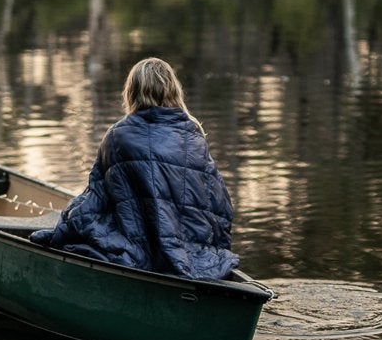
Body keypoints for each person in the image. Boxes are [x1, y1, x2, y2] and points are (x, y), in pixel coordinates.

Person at [30, 57, 240, 280]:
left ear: (132, 91)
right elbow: (221, 207)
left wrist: (59, 233)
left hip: (141, 250)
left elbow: (95, 200)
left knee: (85, 233)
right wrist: (215, 250)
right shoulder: (193, 134)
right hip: (195, 254)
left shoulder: (118, 136)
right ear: (172, 90)